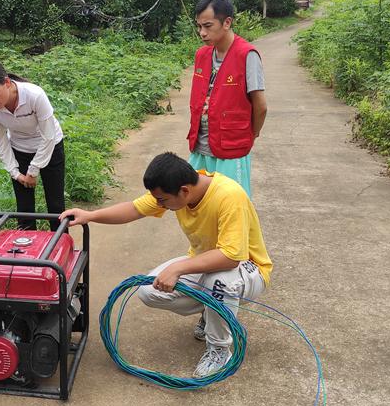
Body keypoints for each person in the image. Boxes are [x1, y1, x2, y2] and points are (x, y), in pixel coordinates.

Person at [61, 152, 272, 378]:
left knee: (218, 281)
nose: (158, 204)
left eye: (162, 200)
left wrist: (178, 269)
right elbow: (133, 209)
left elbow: (231, 257)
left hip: (248, 269)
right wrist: (90, 215)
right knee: (149, 291)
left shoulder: (229, 196)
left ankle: (219, 349)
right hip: (205, 263)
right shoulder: (177, 190)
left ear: (184, 190)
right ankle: (211, 313)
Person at [187, 0, 268, 198]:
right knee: (199, 207)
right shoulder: (202, 55)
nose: (202, 33)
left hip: (230, 152)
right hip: (199, 149)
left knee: (232, 208)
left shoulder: (246, 55)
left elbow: (261, 107)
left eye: (207, 26)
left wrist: (252, 134)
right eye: (199, 26)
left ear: (227, 22)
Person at [0, 60, 65, 231]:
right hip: (19, 149)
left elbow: (49, 136)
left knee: (55, 203)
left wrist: (33, 170)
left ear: (7, 83)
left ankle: (61, 247)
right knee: (24, 209)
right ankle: (25, 253)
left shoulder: (34, 95)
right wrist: (16, 173)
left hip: (50, 147)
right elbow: (1, 141)